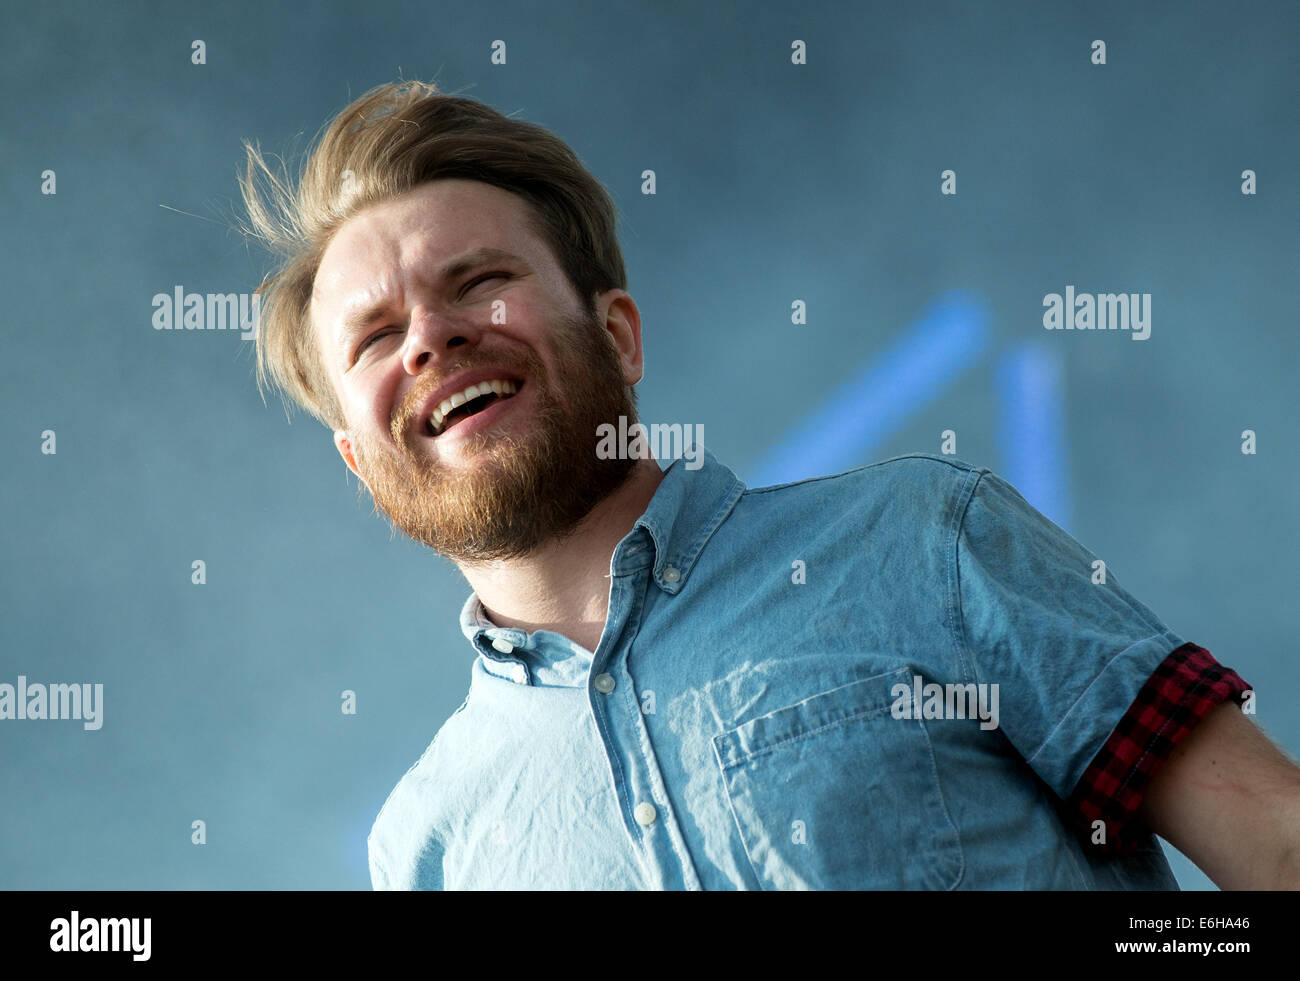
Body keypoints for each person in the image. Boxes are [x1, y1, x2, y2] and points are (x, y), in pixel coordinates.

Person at [239, 80, 1300, 890]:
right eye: (376, 336)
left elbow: (1276, 843)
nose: (431, 335)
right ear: (358, 457)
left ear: (616, 334)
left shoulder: (923, 542)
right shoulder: (424, 845)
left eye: (478, 280)